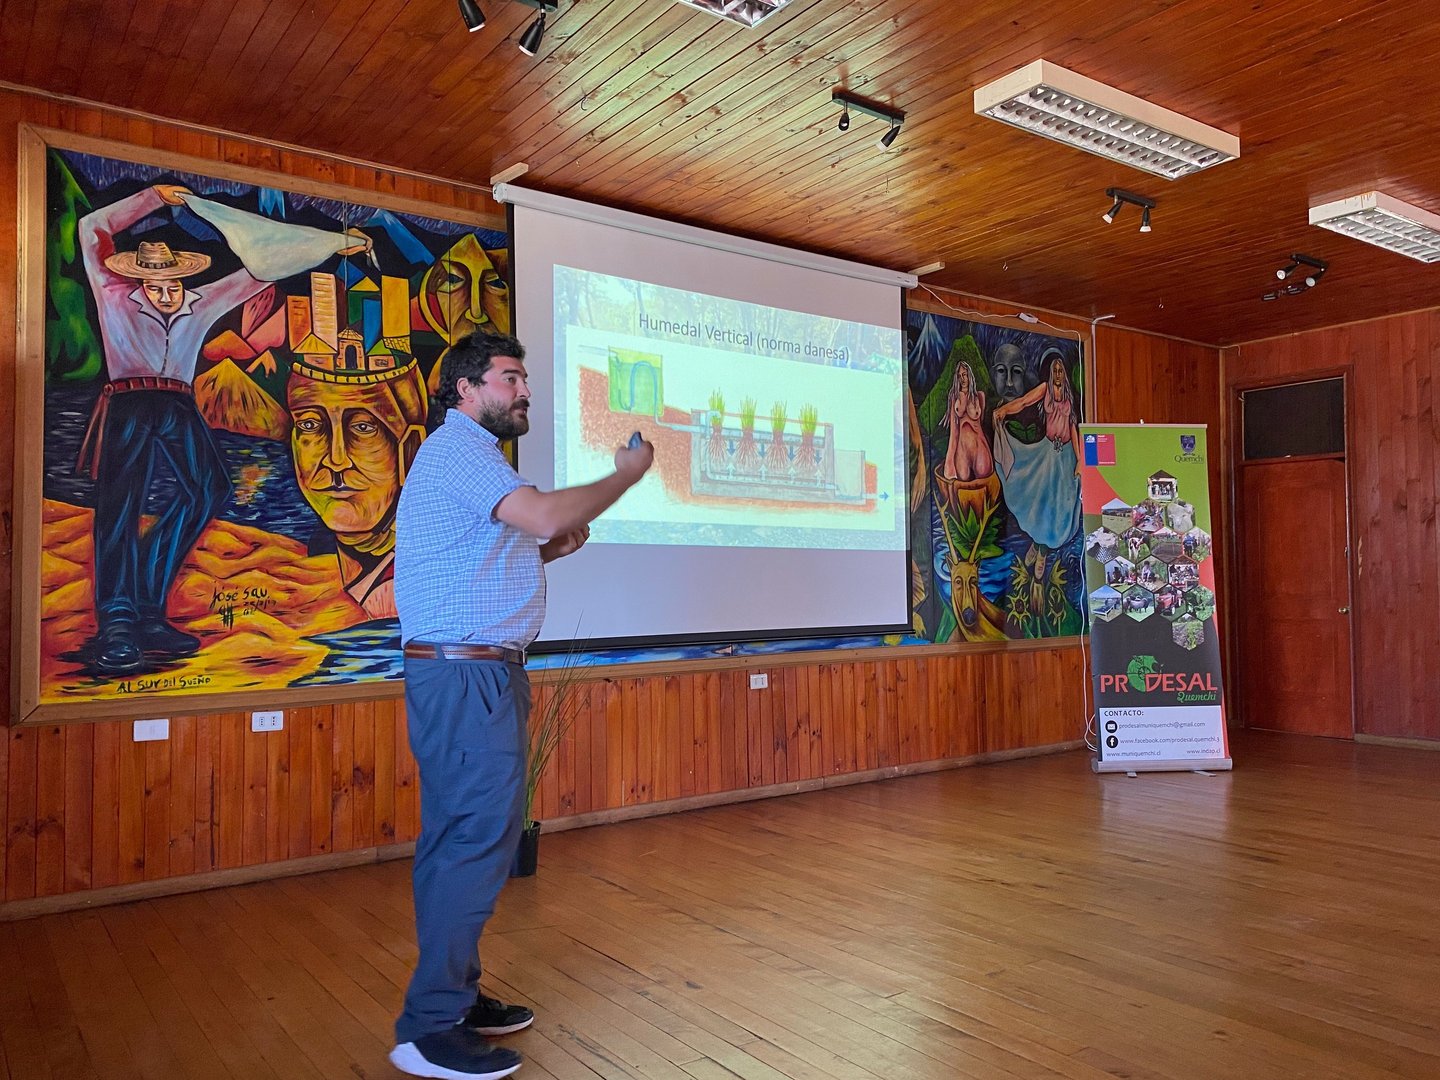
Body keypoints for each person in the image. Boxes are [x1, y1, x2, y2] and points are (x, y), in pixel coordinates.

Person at [391, 331, 653, 1079]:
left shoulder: (472, 460)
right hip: (464, 677)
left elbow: (475, 553)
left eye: (525, 379)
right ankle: (428, 1027)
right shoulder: (460, 450)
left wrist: (542, 553)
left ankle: (455, 996)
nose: (525, 391)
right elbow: (537, 514)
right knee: (475, 840)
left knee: (462, 840)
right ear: (465, 389)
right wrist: (625, 476)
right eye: (510, 378)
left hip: (475, 674)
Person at [77, 182, 371, 673]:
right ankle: (119, 622)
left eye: (173, 282)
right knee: (118, 508)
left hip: (178, 404)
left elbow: (262, 268)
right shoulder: (113, 296)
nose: (167, 292)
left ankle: (147, 609)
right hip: (127, 404)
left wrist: (340, 243)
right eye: (156, 284)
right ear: (139, 282)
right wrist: (152, 198)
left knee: (206, 490)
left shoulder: (201, 301)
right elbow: (92, 229)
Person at [286, 357, 429, 619]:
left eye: (363, 428)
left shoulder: (412, 587)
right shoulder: (309, 569)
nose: (336, 459)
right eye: (310, 425)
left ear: (410, 450)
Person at [939, 361, 992, 481]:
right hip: (962, 450)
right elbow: (953, 432)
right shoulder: (954, 397)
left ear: (970, 375)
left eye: (964, 374)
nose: (962, 378)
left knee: (983, 483)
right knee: (962, 484)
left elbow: (981, 423)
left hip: (979, 447)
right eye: (959, 376)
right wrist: (949, 462)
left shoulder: (980, 396)